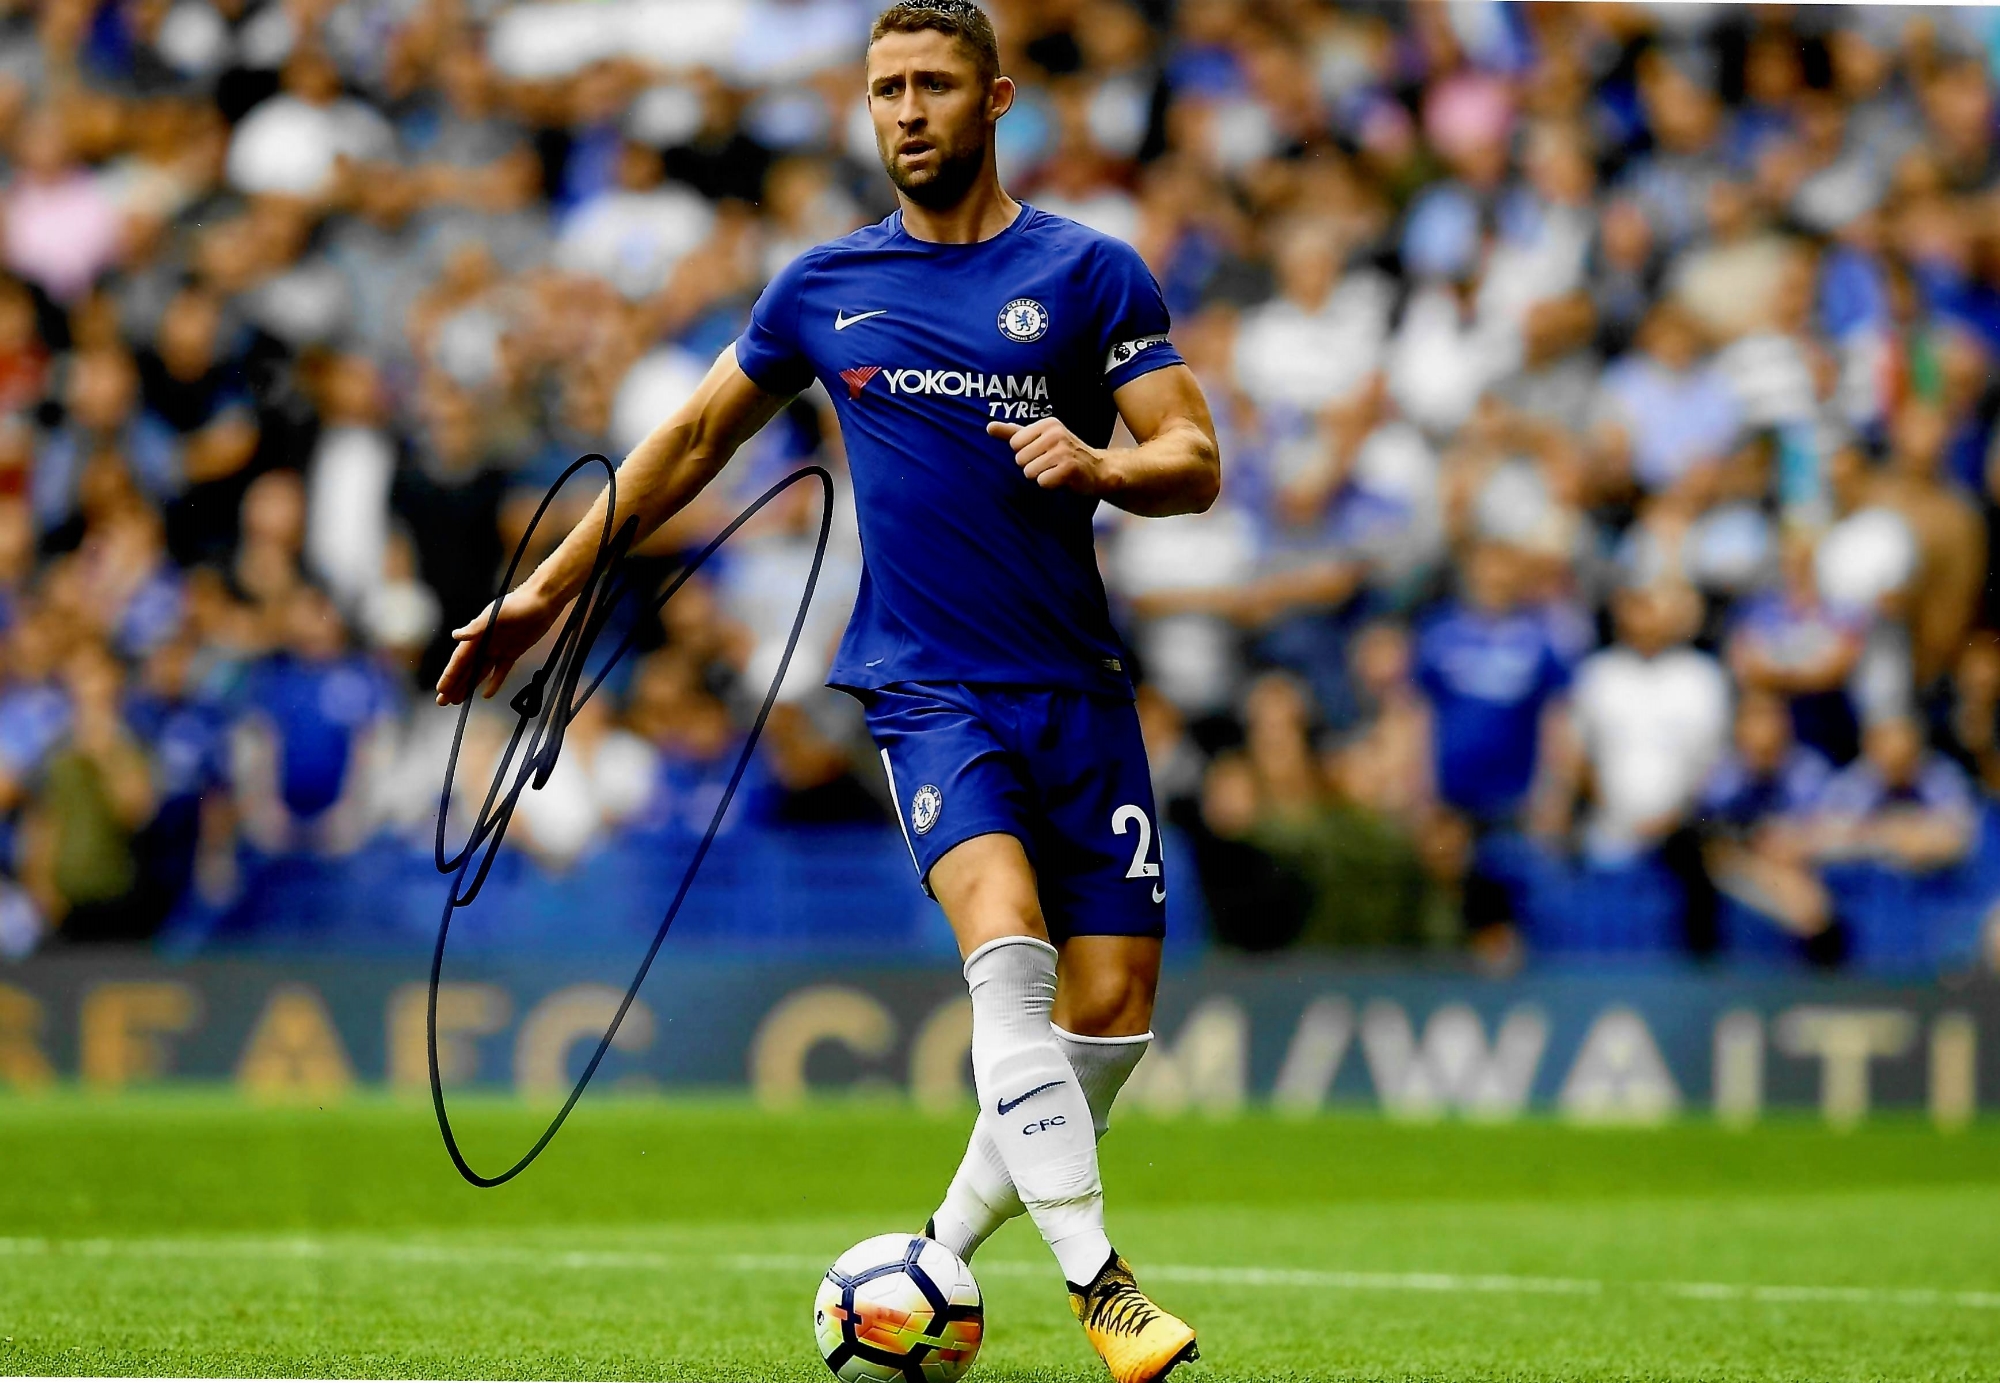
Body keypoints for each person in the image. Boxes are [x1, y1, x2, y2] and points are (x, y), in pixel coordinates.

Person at [431, 6, 1215, 1380]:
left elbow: (1193, 458)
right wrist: (550, 588)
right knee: (1007, 949)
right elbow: (692, 437)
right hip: (926, 687)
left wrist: (1102, 465)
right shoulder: (823, 286)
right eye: (885, 88)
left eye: (934, 85)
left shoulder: (1090, 274)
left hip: (1078, 690)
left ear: (996, 101)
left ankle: (940, 1250)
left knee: (1111, 1008)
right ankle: (1104, 1289)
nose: (906, 110)